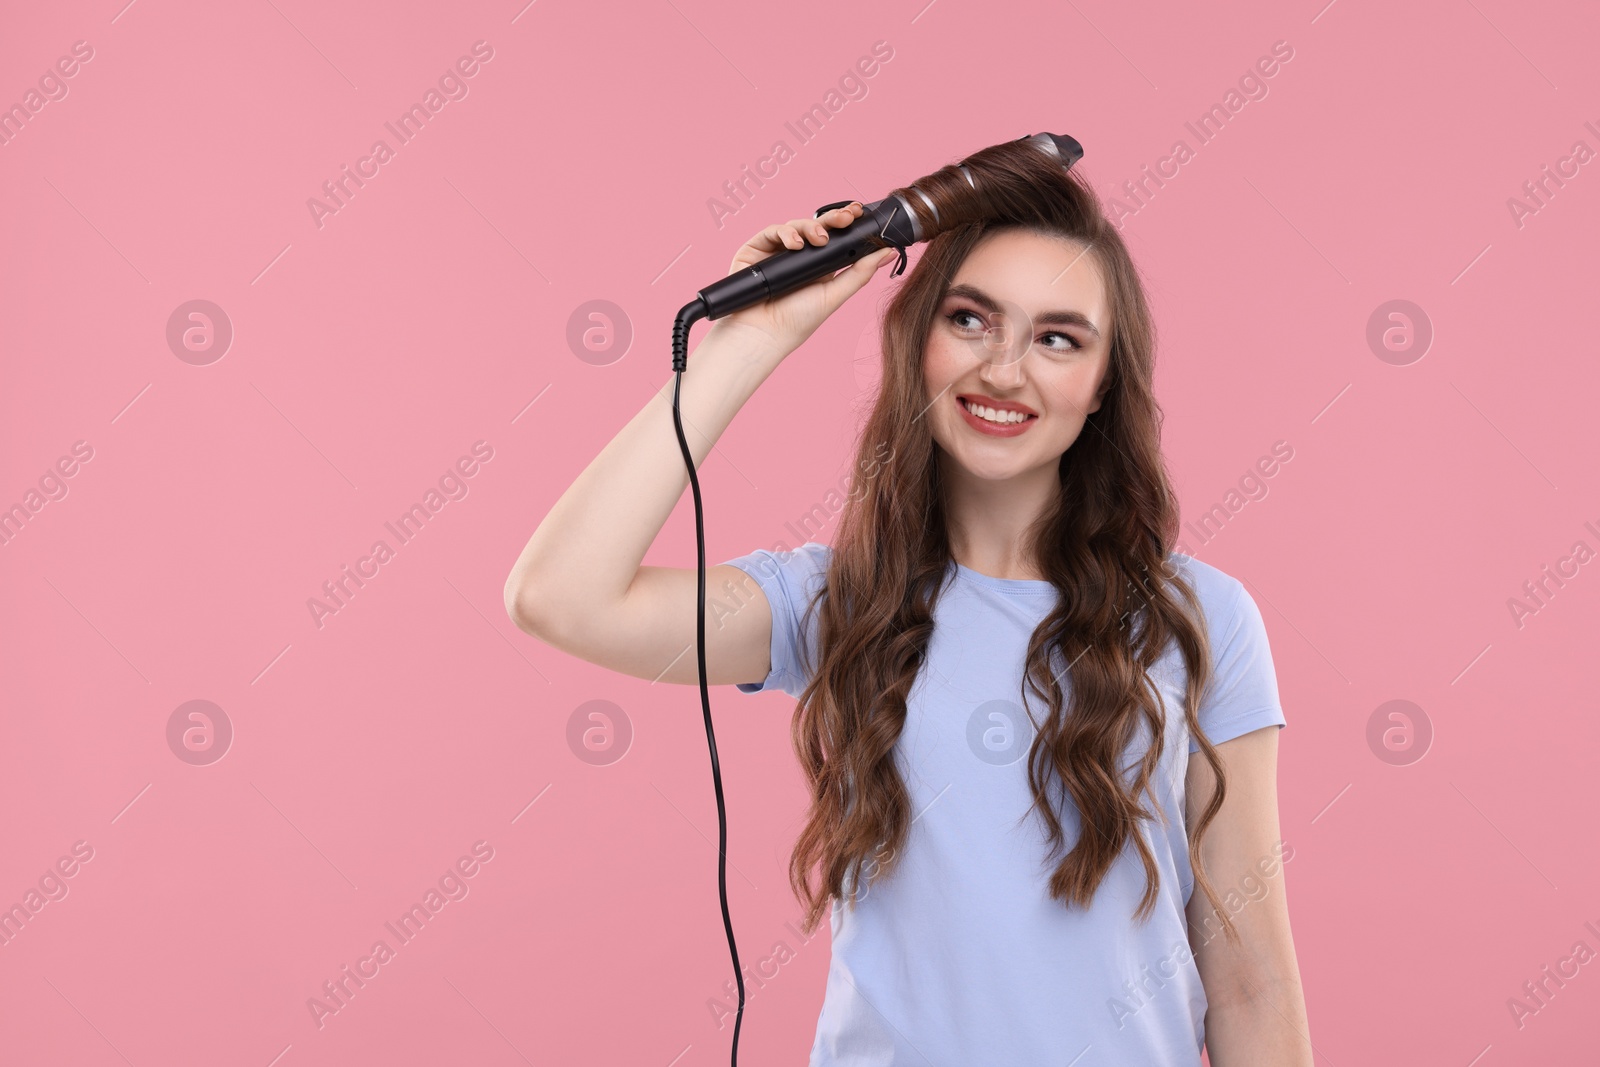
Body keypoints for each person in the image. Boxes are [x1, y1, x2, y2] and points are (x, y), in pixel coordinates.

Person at [503, 137, 1312, 1065]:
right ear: (919, 339)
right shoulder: (832, 599)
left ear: (1100, 387)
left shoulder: (1196, 618)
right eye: (972, 319)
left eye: (1058, 338)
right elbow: (560, 596)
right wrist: (755, 338)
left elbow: (1251, 978)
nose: (1005, 369)